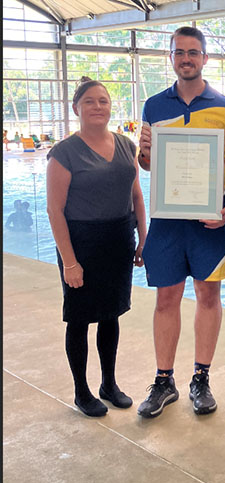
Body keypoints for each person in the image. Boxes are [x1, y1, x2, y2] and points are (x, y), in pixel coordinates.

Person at [136, 26, 225, 419]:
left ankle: (201, 378)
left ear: (204, 59)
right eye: (179, 52)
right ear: (171, 57)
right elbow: (148, 164)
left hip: (209, 218)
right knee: (166, 299)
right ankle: (164, 381)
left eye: (193, 52)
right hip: (168, 219)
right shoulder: (153, 105)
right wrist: (144, 155)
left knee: (207, 296)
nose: (186, 58)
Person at [46, 76, 147, 417]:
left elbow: (136, 194)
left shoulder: (124, 144)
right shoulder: (63, 153)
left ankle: (109, 383)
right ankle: (81, 390)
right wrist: (70, 262)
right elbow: (55, 210)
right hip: (82, 243)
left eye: (103, 101)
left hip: (119, 239)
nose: (97, 107)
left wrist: (143, 236)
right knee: (79, 319)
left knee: (111, 314)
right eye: (90, 101)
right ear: (76, 108)